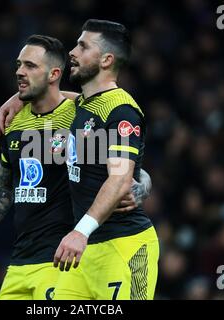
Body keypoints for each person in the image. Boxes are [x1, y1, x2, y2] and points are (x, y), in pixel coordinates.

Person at [0, 35, 150, 300]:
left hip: (61, 259)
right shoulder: (14, 122)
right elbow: (4, 186)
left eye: (30, 66)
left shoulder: (79, 116)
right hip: (20, 261)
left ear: (54, 74)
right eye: (19, 64)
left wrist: (141, 188)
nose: (19, 71)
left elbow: (131, 171)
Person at [52, 19, 160, 300]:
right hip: (85, 252)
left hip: (125, 246)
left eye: (83, 46)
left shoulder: (122, 111)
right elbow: (60, 99)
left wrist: (80, 232)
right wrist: (20, 97)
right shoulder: (86, 105)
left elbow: (121, 178)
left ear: (106, 59)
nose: (72, 52)